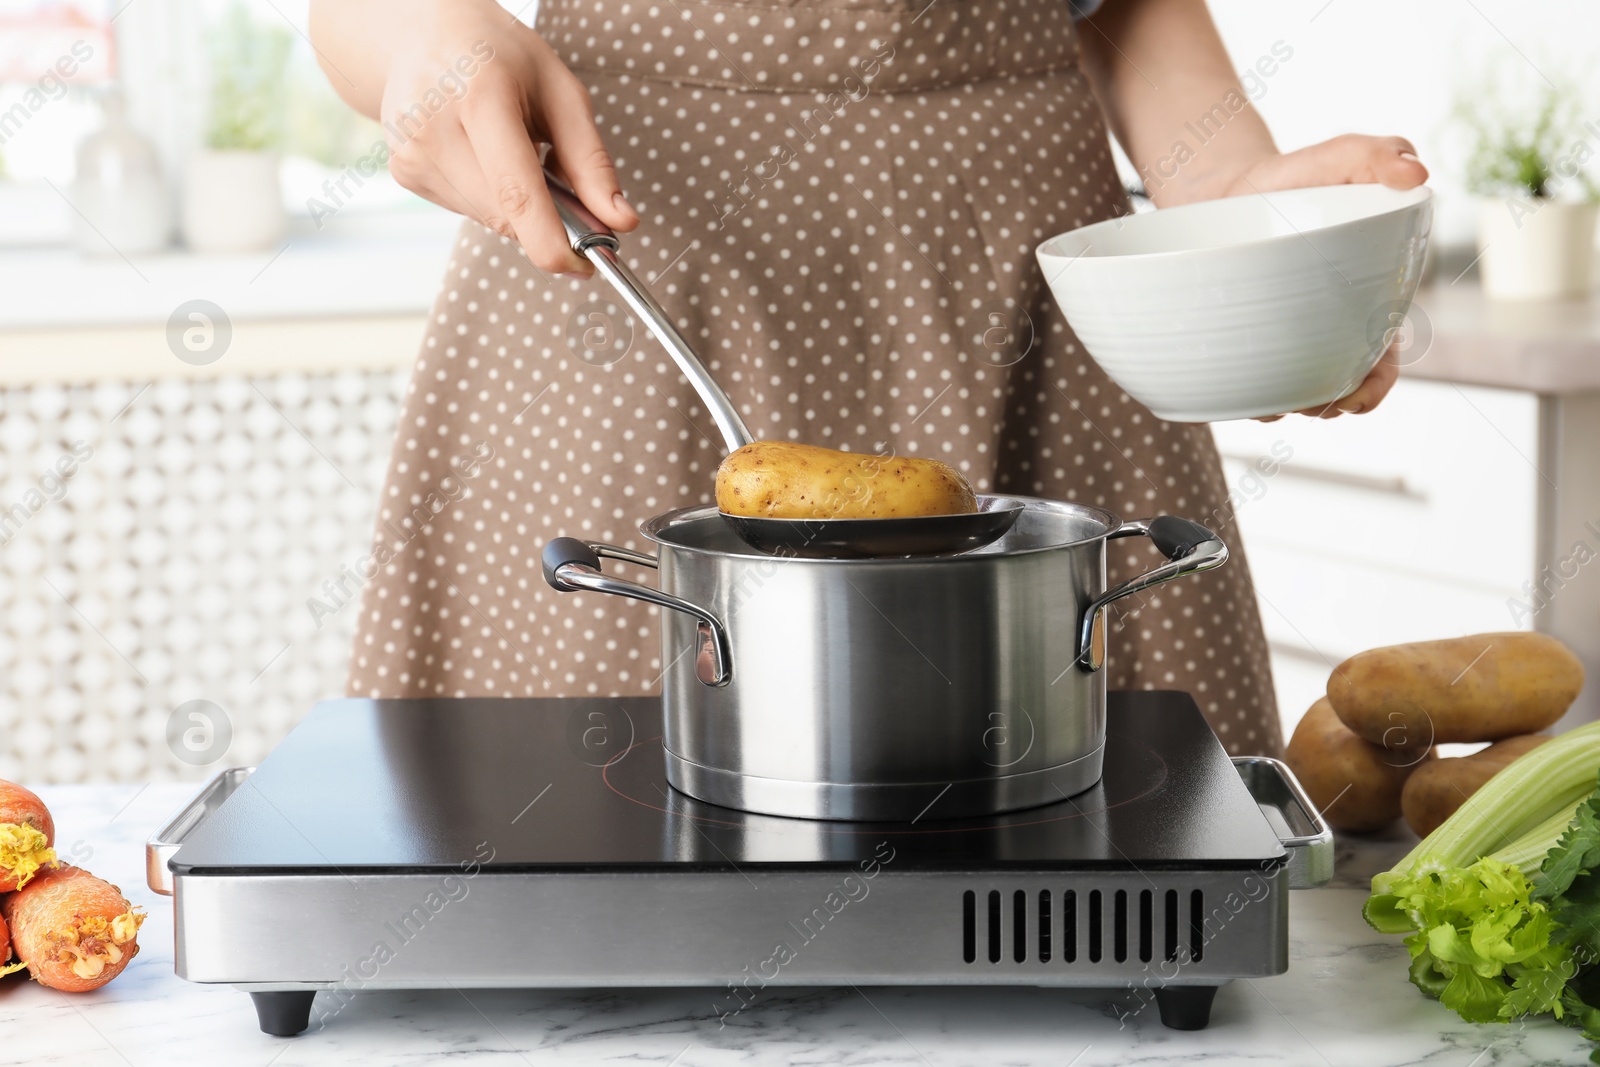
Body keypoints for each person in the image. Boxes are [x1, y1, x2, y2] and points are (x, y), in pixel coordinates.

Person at [309, 0, 1427, 756]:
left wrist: (1236, 192)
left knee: (1106, 940)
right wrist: (425, 40)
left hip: (1024, 272)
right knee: (563, 898)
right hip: (617, 266)